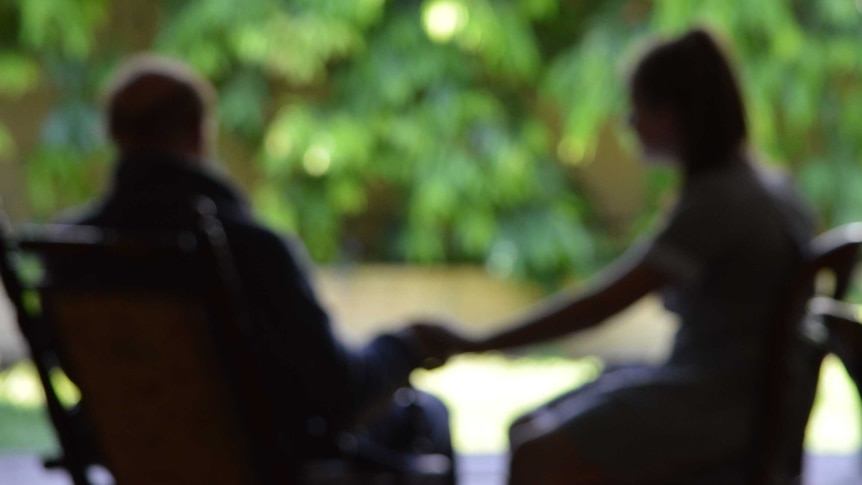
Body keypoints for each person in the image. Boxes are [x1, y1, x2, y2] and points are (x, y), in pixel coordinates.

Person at [413, 28, 818, 484]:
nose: (629, 122)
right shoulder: (766, 188)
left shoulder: (718, 201)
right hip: (740, 398)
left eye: (638, 108)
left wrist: (476, 342)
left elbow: (600, 305)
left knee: (536, 454)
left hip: (719, 407)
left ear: (672, 115)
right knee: (528, 430)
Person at [51, 55, 453, 475]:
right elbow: (336, 393)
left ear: (114, 134)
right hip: (272, 463)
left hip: (138, 459)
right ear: (198, 132)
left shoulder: (73, 250)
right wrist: (403, 345)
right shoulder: (249, 248)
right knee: (428, 416)